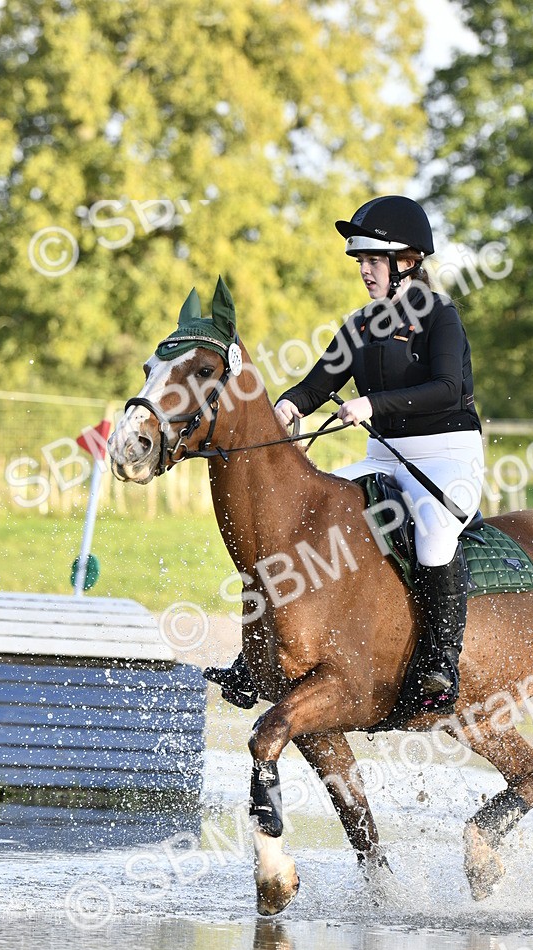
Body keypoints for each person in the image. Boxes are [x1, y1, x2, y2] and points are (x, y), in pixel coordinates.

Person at [204, 195, 484, 710]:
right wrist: (288, 406)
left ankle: (440, 667)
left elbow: (446, 387)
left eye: (374, 262)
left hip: (445, 455)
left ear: (408, 263)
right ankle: (257, 656)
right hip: (384, 457)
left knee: (434, 536)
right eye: (362, 263)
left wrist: (371, 403)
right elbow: (316, 383)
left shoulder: (441, 316)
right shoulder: (360, 326)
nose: (365, 272)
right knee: (309, 515)